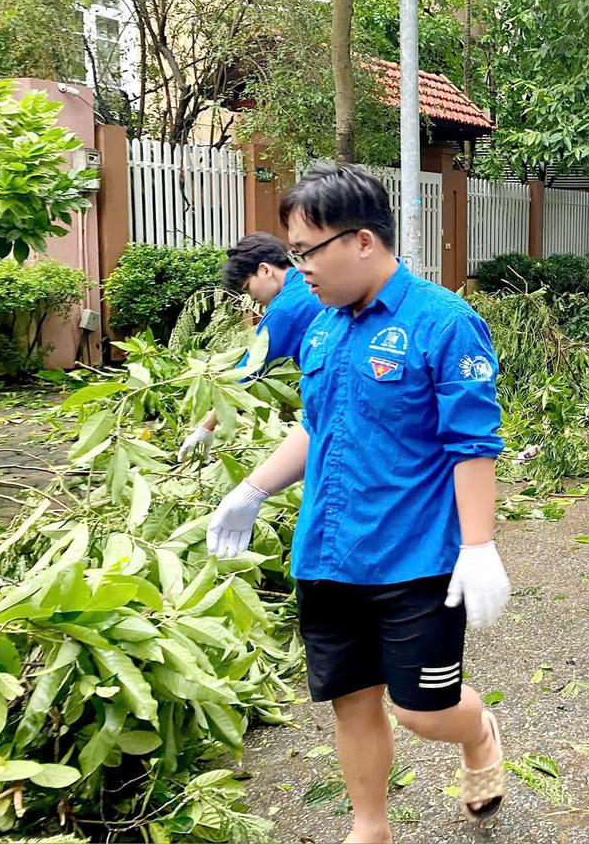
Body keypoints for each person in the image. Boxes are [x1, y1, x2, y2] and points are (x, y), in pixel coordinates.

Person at [204, 163, 511, 841]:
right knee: (351, 701)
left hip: (416, 561)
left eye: (308, 252)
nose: (300, 270)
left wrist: (478, 545)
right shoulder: (320, 324)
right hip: (328, 553)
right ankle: (369, 827)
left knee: (422, 711)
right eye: (293, 255)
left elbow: (472, 444)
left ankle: (478, 732)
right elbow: (318, 425)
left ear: (362, 241)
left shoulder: (443, 322)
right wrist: (252, 489)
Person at [177, 232, 325, 462]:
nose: (251, 297)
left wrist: (206, 427)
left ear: (265, 270)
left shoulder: (285, 309)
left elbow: (248, 371)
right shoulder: (303, 287)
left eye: (247, 288)